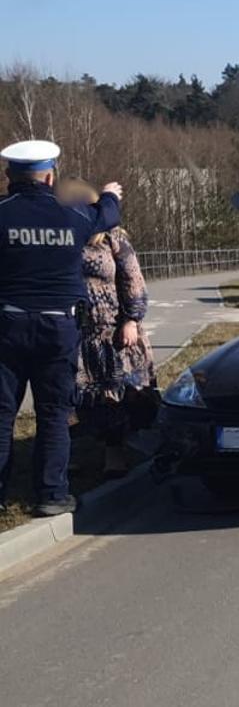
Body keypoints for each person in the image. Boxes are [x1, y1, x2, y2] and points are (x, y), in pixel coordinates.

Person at [0, 139, 124, 516]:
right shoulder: (73, 216)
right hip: (59, 326)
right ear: (50, 176)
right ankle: (52, 494)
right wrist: (108, 194)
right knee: (53, 411)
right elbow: (108, 215)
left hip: (7, 324)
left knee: (3, 413)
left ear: (9, 176)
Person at [58, 180, 156, 480]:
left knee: (115, 394)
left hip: (111, 331)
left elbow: (133, 280)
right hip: (75, 331)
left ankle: (114, 454)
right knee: (70, 397)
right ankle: (68, 455)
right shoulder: (64, 236)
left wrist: (131, 319)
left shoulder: (112, 238)